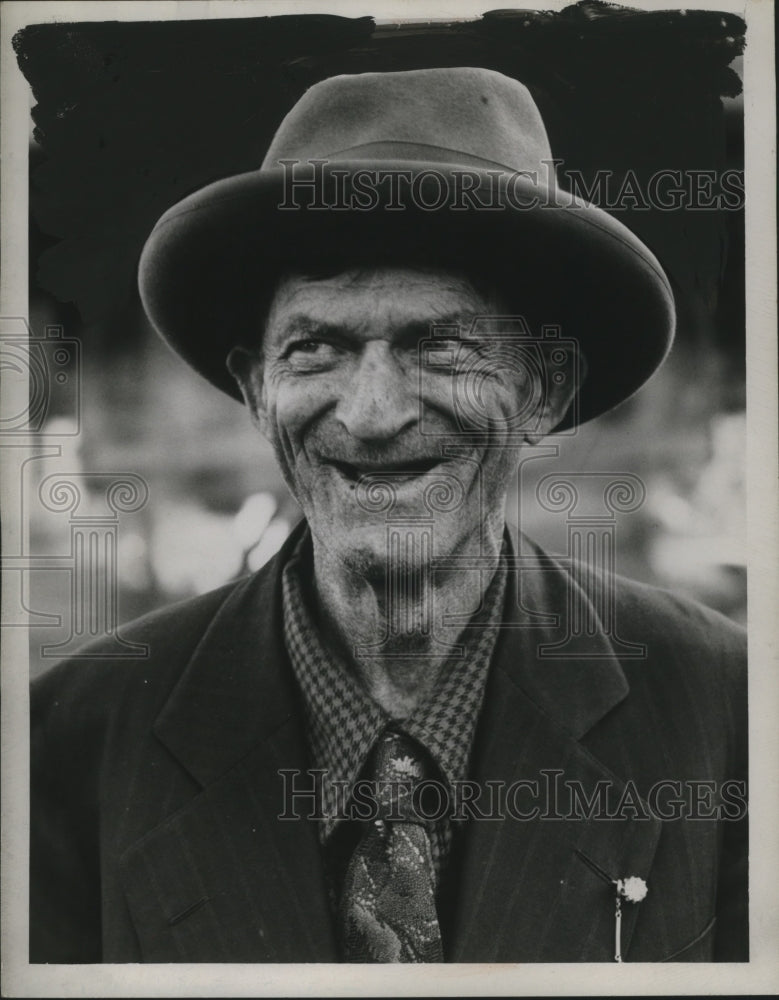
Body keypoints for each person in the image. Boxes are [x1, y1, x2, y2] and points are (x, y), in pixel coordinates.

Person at [30, 67, 747, 964]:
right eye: (317, 348)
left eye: (439, 345)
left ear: (543, 389)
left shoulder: (728, 714)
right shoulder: (64, 745)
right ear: (257, 391)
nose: (371, 414)